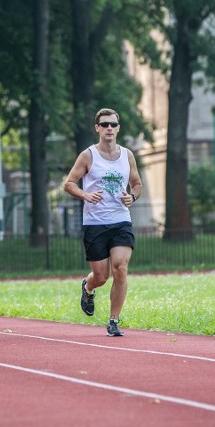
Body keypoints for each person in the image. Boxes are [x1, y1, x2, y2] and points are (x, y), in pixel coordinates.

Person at [62, 108, 142, 337]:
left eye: (113, 125)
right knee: (101, 276)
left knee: (120, 268)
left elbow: (137, 184)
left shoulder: (127, 155)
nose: (109, 128)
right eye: (105, 124)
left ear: (118, 128)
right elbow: (69, 183)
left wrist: (132, 197)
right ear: (97, 128)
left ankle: (114, 320)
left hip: (120, 221)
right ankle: (88, 288)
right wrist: (85, 195)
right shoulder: (88, 155)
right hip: (95, 223)